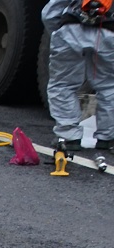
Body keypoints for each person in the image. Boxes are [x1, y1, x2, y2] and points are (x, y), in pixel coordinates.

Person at [42, 0, 114, 151]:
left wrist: (59, 31)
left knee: (63, 85)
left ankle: (69, 137)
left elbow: (49, 14)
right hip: (109, 33)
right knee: (109, 86)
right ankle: (107, 138)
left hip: (71, 30)